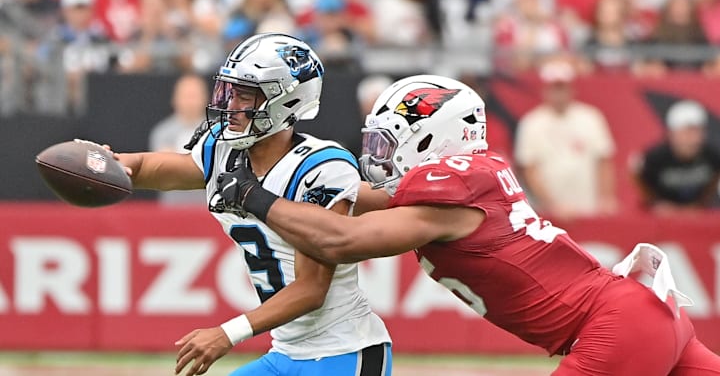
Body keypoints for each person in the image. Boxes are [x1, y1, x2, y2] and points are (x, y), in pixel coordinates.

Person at [212, 74, 720, 375]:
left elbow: (342, 241)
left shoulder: (447, 194)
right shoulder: (471, 179)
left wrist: (254, 196)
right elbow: (358, 201)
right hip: (644, 315)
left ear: (435, 139)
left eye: (388, 143)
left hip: (613, 326)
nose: (377, 158)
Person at [114, 33, 391, 376]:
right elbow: (155, 169)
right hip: (286, 352)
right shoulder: (224, 151)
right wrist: (106, 163)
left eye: (244, 95)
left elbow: (312, 289)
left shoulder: (320, 168)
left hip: (343, 351)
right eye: (230, 92)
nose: (230, 105)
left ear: (286, 101)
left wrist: (227, 334)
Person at [514, 58, 618, 219]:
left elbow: (604, 160)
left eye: (562, 88)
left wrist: (606, 198)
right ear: (545, 90)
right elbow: (529, 169)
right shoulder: (532, 123)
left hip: (588, 209)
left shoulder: (591, 117)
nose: (559, 94)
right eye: (555, 88)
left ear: (571, 89)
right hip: (549, 214)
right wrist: (552, 205)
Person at [635, 100, 720, 212]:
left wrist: (699, 205)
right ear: (671, 133)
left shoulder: (712, 156)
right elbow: (637, 174)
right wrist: (656, 203)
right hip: (663, 215)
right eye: (687, 133)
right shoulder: (655, 158)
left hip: (697, 213)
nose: (693, 139)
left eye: (698, 131)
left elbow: (714, 180)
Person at [148, 74, 208, 205]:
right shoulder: (162, 132)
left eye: (194, 96)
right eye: (186, 96)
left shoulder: (216, 131)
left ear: (205, 98)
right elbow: (162, 169)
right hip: (172, 209)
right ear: (175, 98)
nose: (190, 102)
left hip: (208, 210)